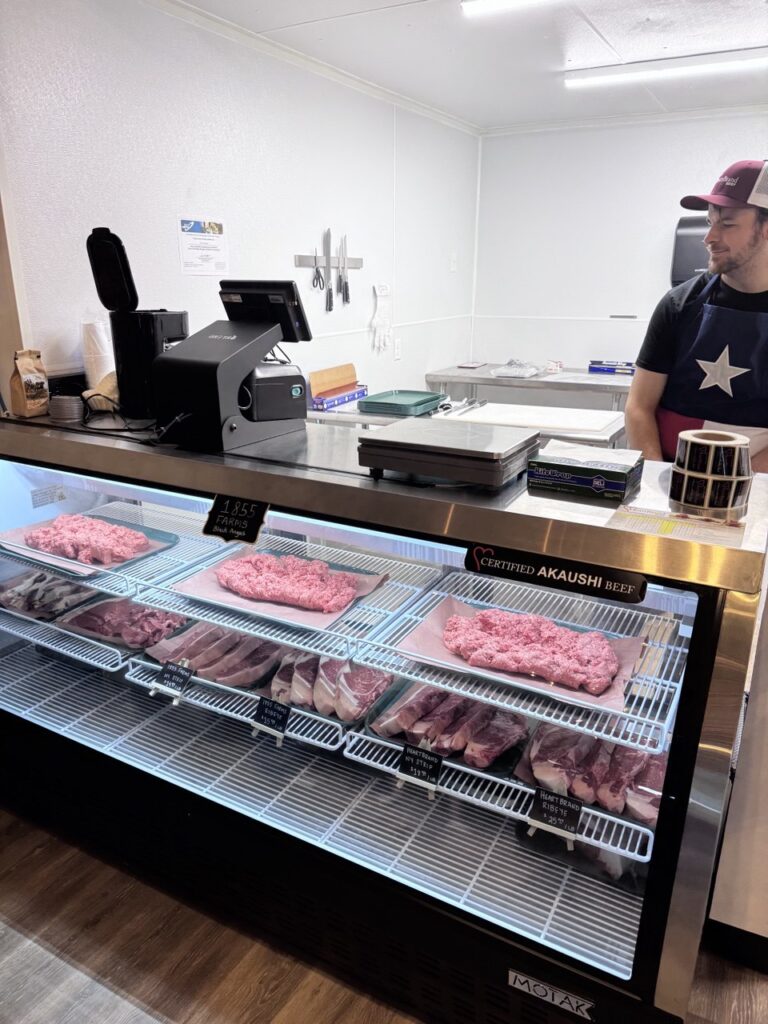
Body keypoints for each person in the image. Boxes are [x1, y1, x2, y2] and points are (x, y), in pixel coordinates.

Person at [625, 159, 768, 470]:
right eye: (710, 222)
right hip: (669, 479)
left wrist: (739, 486)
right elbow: (639, 407)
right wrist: (655, 480)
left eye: (727, 224)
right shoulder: (678, 305)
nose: (709, 237)